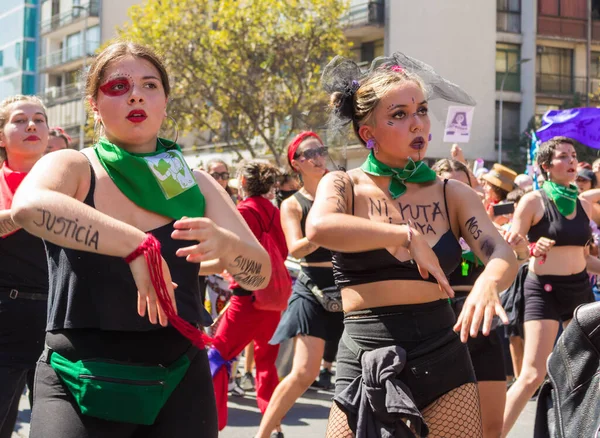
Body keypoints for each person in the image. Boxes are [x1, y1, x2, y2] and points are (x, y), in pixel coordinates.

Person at [11, 41, 271, 438]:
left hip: (179, 376)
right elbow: (28, 208)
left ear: (165, 102)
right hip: (78, 376)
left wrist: (229, 247)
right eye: (118, 86)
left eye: (150, 85)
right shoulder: (72, 165)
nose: (135, 94)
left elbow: (260, 277)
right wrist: (136, 245)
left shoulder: (194, 182)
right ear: (94, 105)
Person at [308, 53, 518, 437]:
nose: (418, 122)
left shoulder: (450, 192)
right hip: (363, 351)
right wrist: (403, 234)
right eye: (400, 115)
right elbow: (319, 227)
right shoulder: (343, 185)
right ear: (368, 133)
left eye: (421, 110)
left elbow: (502, 252)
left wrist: (490, 281)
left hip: (442, 354)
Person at [502, 136, 600, 435]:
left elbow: (583, 258)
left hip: (579, 289)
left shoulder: (582, 203)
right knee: (532, 374)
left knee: (592, 367)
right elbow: (512, 247)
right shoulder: (533, 200)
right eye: (563, 157)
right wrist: (531, 248)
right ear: (545, 166)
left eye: (573, 155)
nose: (571, 161)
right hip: (542, 289)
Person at [256, 131, 345, 438]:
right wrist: (324, 230)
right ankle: (263, 434)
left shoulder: (344, 193)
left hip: (348, 285)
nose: (320, 156)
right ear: (296, 164)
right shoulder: (293, 205)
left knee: (359, 373)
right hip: (313, 289)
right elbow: (294, 248)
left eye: (322, 150)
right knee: (303, 373)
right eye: (311, 153)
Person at [433, 158, 526, 438]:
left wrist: (519, 250)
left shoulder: (484, 228)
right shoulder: (423, 225)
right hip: (439, 327)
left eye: (465, 184)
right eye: (449, 185)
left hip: (483, 325)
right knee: (441, 428)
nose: (458, 192)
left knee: (492, 429)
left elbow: (515, 262)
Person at [205, 160, 286, 435]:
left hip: (246, 299)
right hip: (273, 300)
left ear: (242, 183)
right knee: (266, 364)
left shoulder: (241, 212)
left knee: (217, 355)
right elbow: (283, 252)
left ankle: (213, 422)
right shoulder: (274, 212)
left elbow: (229, 256)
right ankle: (272, 426)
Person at [0, 95, 49, 438]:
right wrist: (21, 215)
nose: (31, 125)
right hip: (5, 320)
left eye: (39, 119)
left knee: (56, 427)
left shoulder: (77, 181)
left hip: (60, 322)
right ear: (1, 136)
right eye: (19, 120)